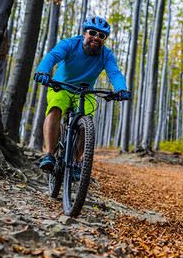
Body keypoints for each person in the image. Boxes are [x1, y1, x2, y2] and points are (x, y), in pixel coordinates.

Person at [34, 16, 131, 173]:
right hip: (61, 87)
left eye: (101, 36)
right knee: (55, 109)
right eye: (92, 33)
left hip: (85, 92)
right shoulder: (69, 44)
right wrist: (43, 71)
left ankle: (76, 163)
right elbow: (52, 57)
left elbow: (114, 73)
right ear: (84, 33)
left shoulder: (106, 54)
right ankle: (49, 155)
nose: (96, 38)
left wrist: (121, 88)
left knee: (87, 124)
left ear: (104, 39)